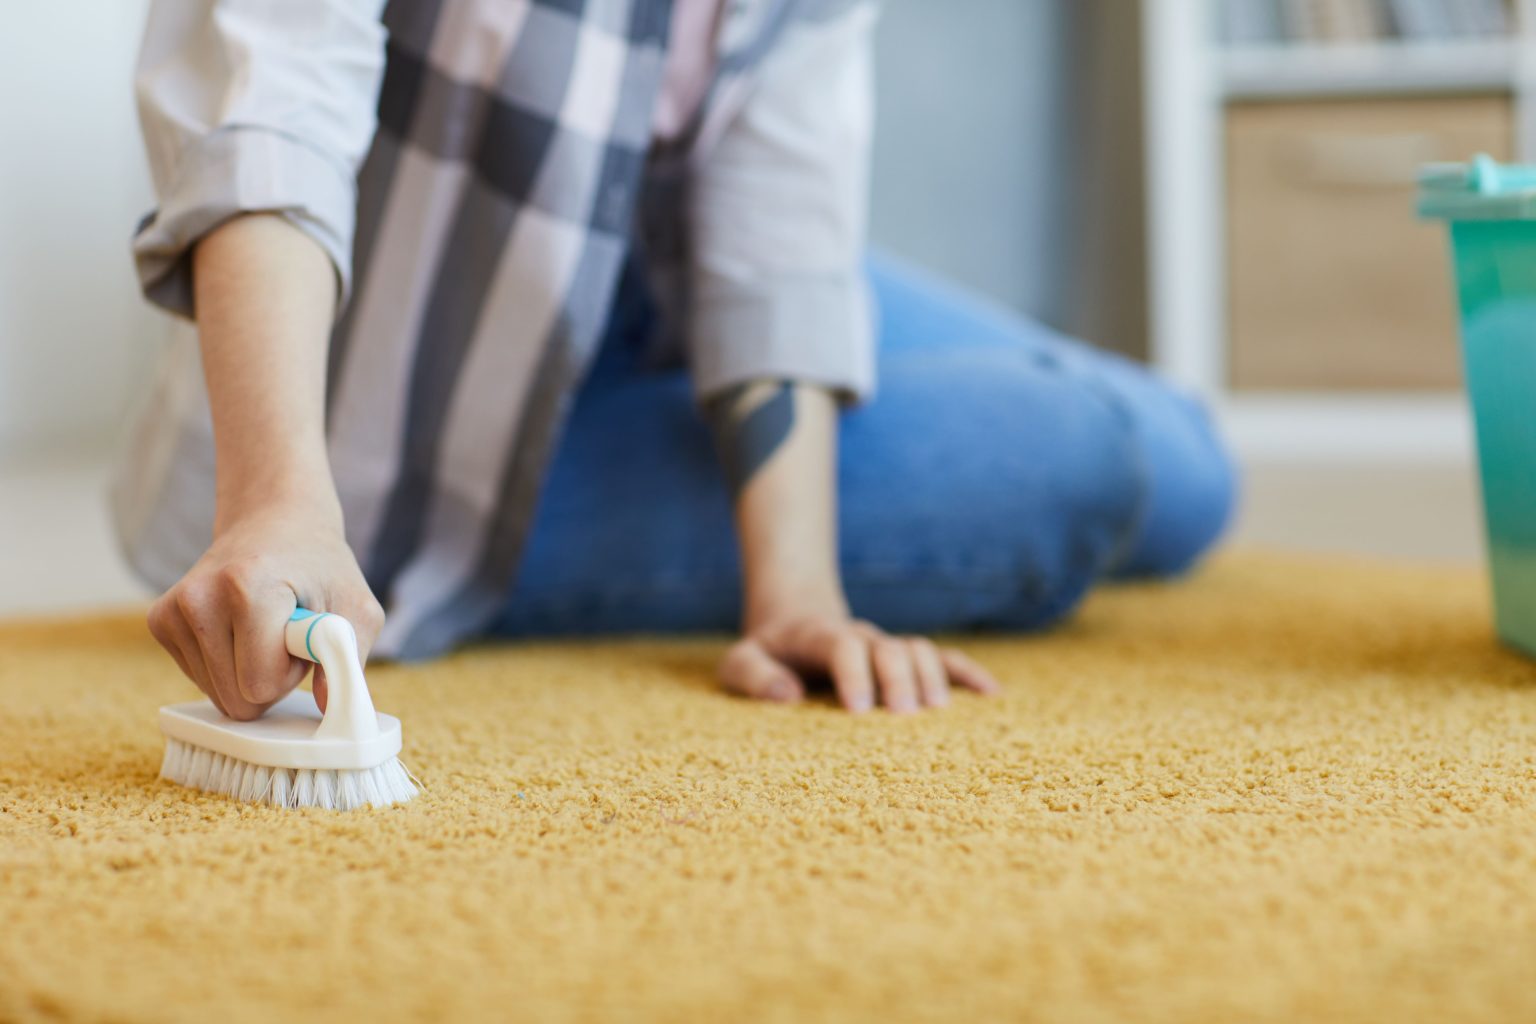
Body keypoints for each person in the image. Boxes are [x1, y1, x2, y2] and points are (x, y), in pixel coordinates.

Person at [114, 0, 1235, 720]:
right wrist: (276, 501)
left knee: (1188, 465)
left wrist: (795, 591)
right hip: (394, 424)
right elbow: (270, 115)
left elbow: (777, 224)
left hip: (656, 293)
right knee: (1090, 457)